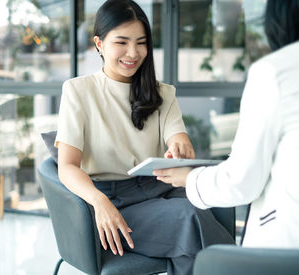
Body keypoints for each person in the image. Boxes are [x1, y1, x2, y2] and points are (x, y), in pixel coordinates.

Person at [55, 0, 234, 274]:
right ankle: (240, 265)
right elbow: (66, 166)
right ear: (99, 44)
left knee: (204, 207)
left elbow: (179, 138)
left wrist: (180, 146)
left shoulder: (163, 93)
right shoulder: (78, 91)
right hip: (111, 201)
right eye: (122, 42)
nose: (133, 52)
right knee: (188, 219)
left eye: (141, 42)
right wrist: (99, 202)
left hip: (158, 188)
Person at [154, 0, 299, 248]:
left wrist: (190, 179)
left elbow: (241, 181)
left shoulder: (275, 72)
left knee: (191, 227)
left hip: (286, 246)